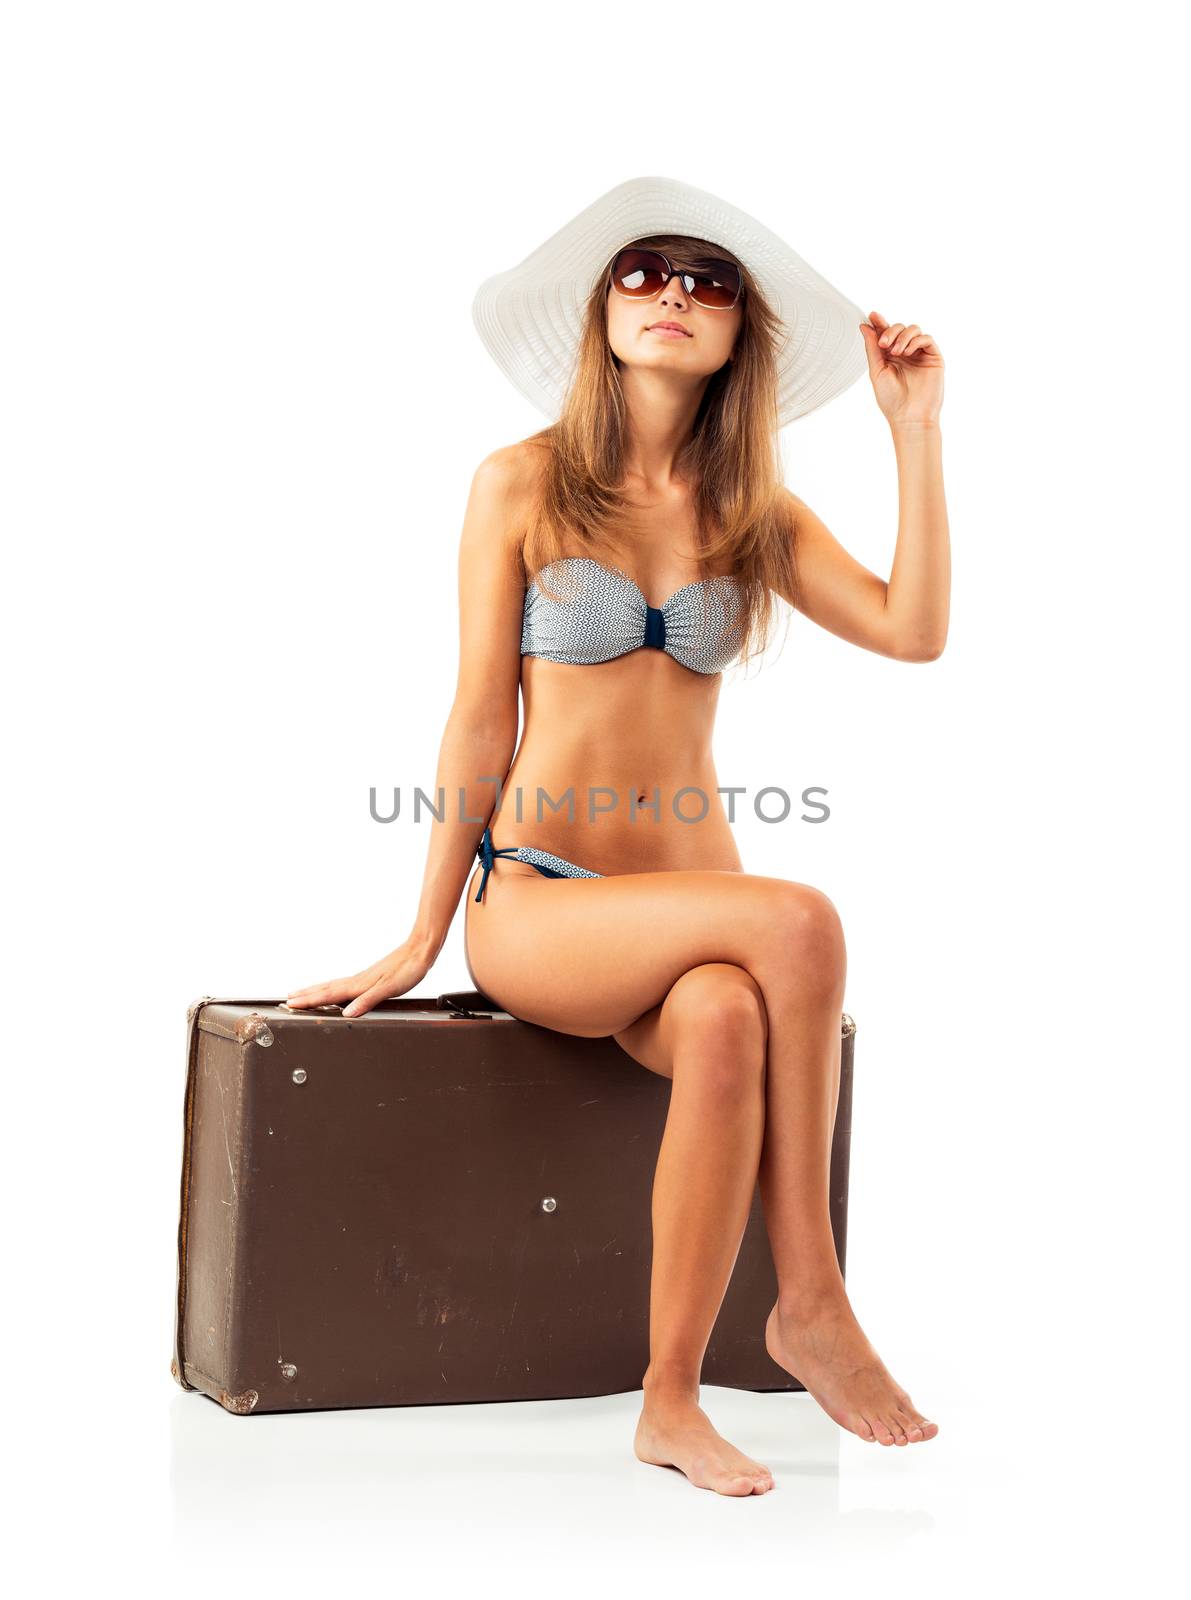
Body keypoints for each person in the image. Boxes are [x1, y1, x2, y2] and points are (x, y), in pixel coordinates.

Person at [288, 176, 949, 1496]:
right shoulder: (522, 483)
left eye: (708, 284)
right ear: (600, 310)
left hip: (690, 904)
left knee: (722, 1022)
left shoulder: (756, 512)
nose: (672, 295)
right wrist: (425, 932)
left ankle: (669, 1399)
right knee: (800, 920)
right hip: (542, 903)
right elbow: (479, 718)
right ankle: (810, 1296)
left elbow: (913, 630)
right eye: (645, 272)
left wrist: (914, 434)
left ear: (738, 337)